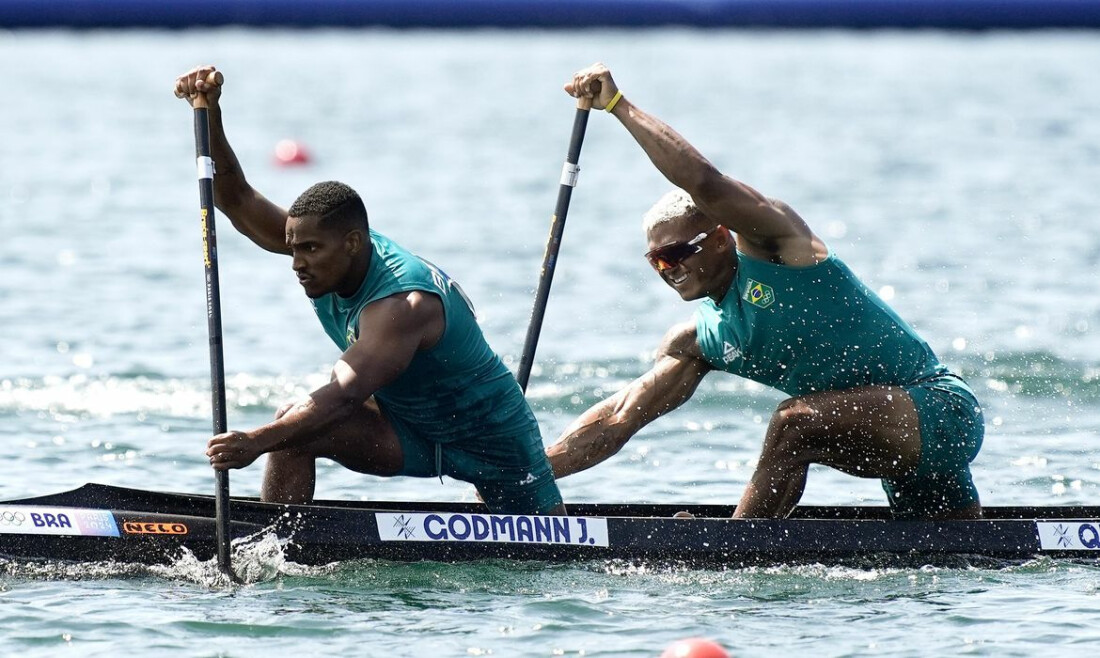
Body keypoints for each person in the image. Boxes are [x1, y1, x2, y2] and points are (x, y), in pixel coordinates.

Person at [546, 63, 983, 520]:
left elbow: (705, 183)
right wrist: (526, 475)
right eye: (655, 260)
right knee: (962, 556)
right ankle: (751, 544)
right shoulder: (698, 340)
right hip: (884, 436)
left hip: (939, 409)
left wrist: (617, 107)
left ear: (720, 237)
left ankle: (736, 551)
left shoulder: (779, 247)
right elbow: (617, 420)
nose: (667, 269)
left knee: (792, 424)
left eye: (675, 253)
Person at [173, 66, 564, 515]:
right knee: (294, 430)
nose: (298, 263)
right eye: (293, 249)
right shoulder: (328, 254)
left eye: (310, 250)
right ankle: (271, 549)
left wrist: (253, 442)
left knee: (552, 554)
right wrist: (209, 113)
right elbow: (237, 198)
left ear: (353, 243)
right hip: (409, 429)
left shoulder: (402, 303)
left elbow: (343, 397)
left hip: (494, 442)